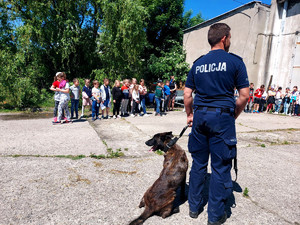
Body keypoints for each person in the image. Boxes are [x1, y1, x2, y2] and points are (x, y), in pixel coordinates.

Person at [184, 23, 249, 225]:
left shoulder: (198, 63)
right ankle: (215, 216)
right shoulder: (235, 62)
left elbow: (187, 94)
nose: (230, 41)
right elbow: (244, 96)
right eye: (229, 37)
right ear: (224, 38)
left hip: (200, 117)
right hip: (222, 117)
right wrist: (233, 115)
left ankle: (194, 208)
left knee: (199, 164)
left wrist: (190, 114)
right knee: (221, 168)